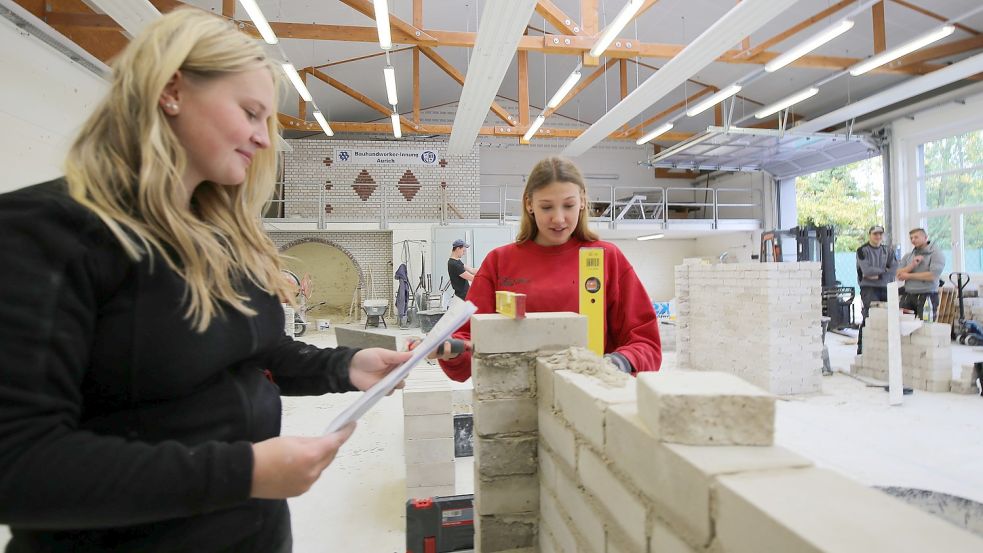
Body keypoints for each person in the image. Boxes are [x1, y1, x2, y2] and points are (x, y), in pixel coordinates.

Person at [0, 9, 410, 553]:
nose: (264, 140)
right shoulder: (48, 232)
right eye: (251, 112)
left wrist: (345, 366)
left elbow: (257, 354)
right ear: (172, 90)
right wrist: (241, 472)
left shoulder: (223, 238)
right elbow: (20, 465)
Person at [436, 157, 662, 381]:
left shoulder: (606, 259)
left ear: (582, 200)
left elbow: (645, 341)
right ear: (529, 204)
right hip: (516, 405)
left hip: (590, 398)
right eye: (546, 207)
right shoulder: (499, 262)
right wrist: (450, 351)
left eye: (569, 205)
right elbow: (468, 341)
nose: (559, 218)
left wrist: (617, 362)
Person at [897, 227, 946, 319]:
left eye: (916, 237)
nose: (913, 240)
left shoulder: (936, 254)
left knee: (925, 327)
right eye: (911, 238)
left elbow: (932, 275)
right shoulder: (909, 256)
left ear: (925, 237)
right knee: (904, 325)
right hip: (908, 296)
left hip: (927, 296)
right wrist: (912, 265)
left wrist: (908, 275)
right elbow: (899, 274)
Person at [856, 225, 897, 320]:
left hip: (887, 288)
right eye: (875, 234)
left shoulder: (888, 250)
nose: (878, 236)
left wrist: (877, 275)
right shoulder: (862, 250)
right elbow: (867, 270)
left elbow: (894, 268)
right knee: (871, 318)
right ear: (869, 235)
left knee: (888, 318)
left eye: (880, 234)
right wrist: (885, 270)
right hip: (869, 289)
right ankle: (863, 335)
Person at [447, 238, 475, 304]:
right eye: (463, 251)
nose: (464, 253)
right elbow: (472, 278)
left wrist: (486, 270)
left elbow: (472, 270)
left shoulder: (457, 261)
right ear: (458, 249)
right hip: (462, 297)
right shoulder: (454, 264)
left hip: (465, 295)